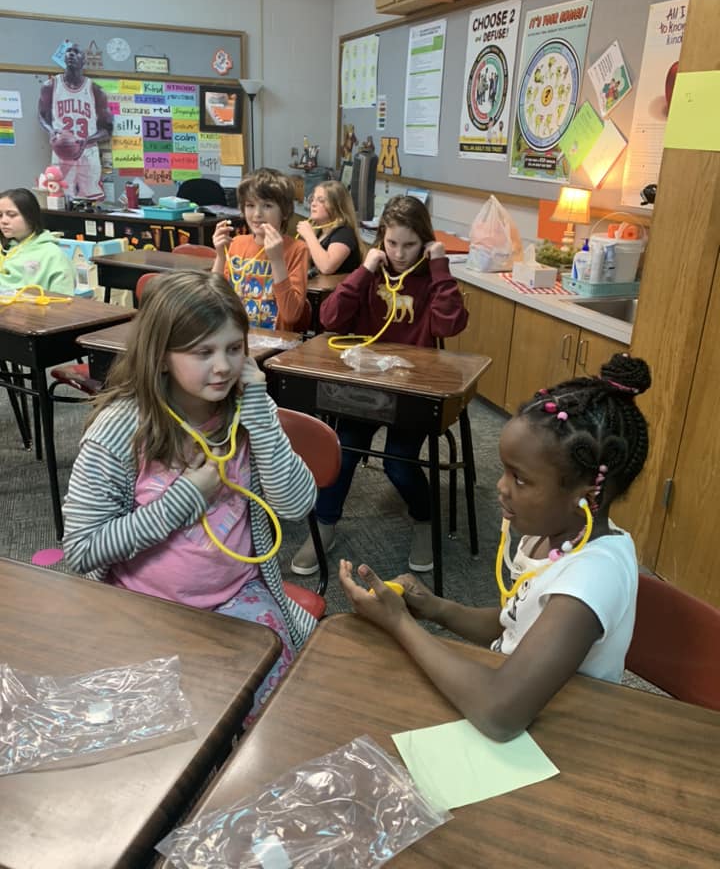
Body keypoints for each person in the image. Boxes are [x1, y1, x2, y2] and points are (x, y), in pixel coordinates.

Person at [339, 353, 652, 742]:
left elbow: (500, 715)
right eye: (505, 469)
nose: (501, 486)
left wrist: (397, 622)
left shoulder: (593, 577)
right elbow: (515, 623)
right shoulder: (551, 534)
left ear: (584, 496)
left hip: (563, 740)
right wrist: (435, 607)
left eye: (520, 479)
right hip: (519, 696)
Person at [62, 270, 317, 718]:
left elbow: (297, 504)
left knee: (268, 710)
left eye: (234, 348)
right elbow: (82, 549)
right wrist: (186, 500)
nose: (223, 366)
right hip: (144, 605)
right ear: (161, 357)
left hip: (238, 595)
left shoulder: (245, 411)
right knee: (170, 721)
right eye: (203, 352)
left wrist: (259, 409)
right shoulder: (122, 429)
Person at [291, 195, 468, 577]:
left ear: (425, 242)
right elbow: (331, 318)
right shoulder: (373, 271)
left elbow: (449, 325)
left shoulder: (431, 277)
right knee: (343, 451)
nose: (400, 254)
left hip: (412, 389)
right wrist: (366, 271)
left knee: (397, 464)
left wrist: (439, 267)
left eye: (410, 245)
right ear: (381, 241)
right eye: (391, 244)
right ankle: (325, 525)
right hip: (368, 384)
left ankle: (424, 519)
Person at [212, 168, 308, 331]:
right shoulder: (236, 243)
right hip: (237, 338)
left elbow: (291, 315)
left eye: (267, 206)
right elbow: (213, 303)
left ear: (284, 212)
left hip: (275, 345)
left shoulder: (297, 249)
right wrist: (220, 257)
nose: (257, 214)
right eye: (250, 205)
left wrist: (277, 260)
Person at [38, 41, 114, 200]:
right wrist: (51, 131)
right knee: (61, 199)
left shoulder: (96, 90)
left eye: (76, 52)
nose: (71, 54)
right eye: (68, 51)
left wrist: (86, 140)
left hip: (88, 151)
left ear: (84, 60)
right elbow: (42, 115)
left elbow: (108, 129)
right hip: (62, 152)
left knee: (92, 202)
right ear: (64, 58)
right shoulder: (50, 85)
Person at [0, 187, 75, 294]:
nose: (3, 221)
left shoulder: (52, 255)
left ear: (30, 216)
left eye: (11, 215)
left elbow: (63, 301)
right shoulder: (5, 248)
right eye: (0, 215)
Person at [295, 180, 363, 276]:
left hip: (337, 290)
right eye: (313, 199)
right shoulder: (319, 231)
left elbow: (327, 267)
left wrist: (309, 236)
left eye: (321, 201)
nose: (313, 204)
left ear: (337, 206)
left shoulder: (344, 233)